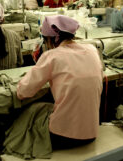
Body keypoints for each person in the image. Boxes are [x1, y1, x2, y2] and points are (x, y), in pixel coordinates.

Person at [16, 15, 103, 149]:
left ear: (51, 39)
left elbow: (23, 92)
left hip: (63, 136)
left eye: (45, 40)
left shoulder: (52, 56)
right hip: (91, 133)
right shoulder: (92, 50)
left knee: (28, 118)